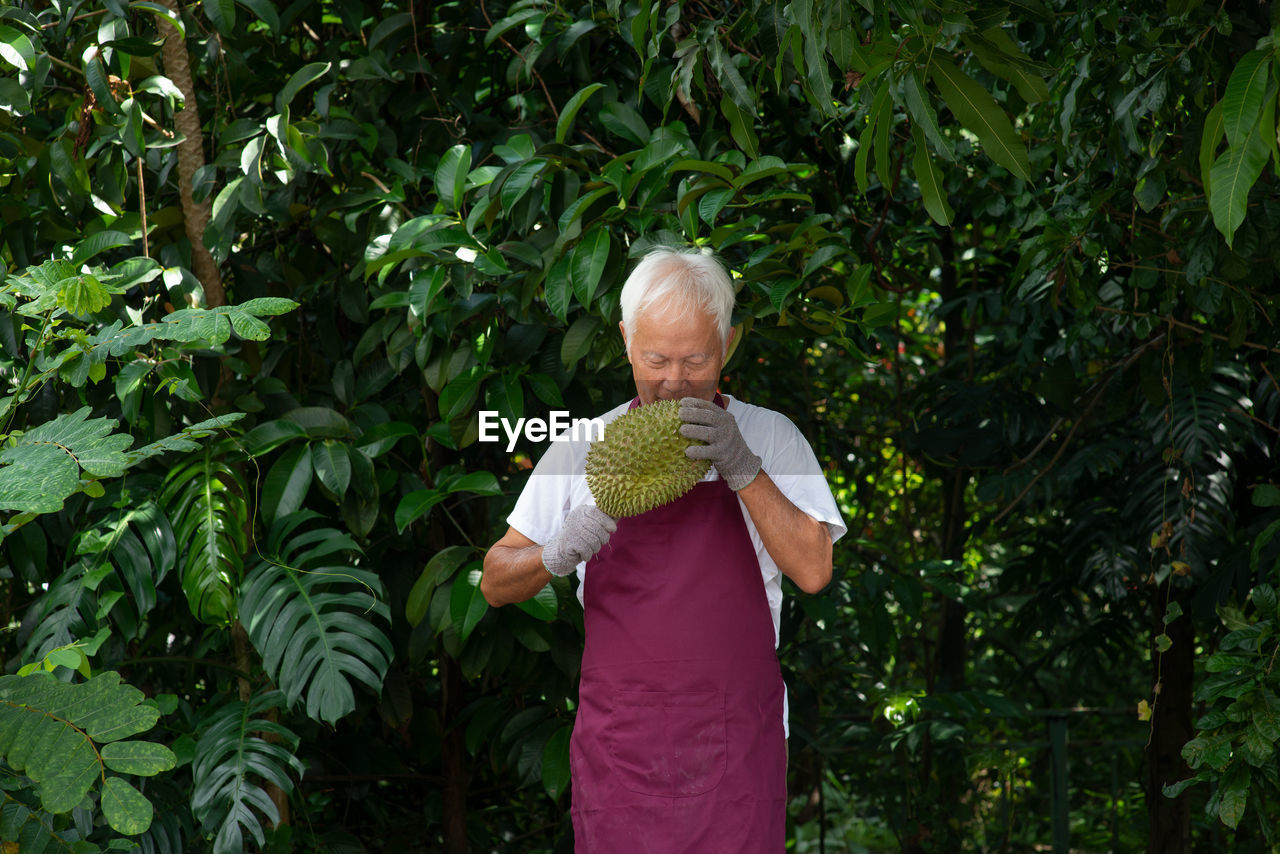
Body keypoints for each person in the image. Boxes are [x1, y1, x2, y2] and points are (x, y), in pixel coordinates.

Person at [481, 246, 846, 853]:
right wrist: (557, 552)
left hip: (738, 749)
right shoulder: (582, 447)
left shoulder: (772, 437)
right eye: (655, 359)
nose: (674, 381)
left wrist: (744, 469)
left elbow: (814, 570)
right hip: (622, 752)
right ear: (625, 341)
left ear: (727, 345)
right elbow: (495, 580)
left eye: (695, 360)